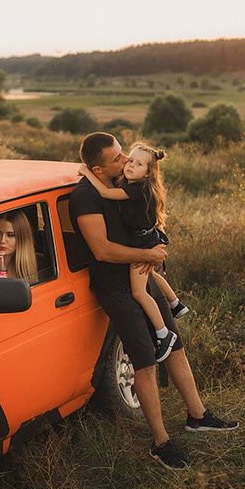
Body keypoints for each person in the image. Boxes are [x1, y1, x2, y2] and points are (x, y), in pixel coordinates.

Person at [69, 132, 238, 470]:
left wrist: (151, 250)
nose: (124, 161)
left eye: (124, 154)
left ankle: (198, 416)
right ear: (97, 169)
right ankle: (161, 443)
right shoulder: (85, 197)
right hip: (117, 288)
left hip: (142, 275)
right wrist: (148, 254)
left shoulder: (124, 182)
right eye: (117, 158)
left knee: (174, 345)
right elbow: (102, 250)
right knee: (145, 362)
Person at [78, 142, 189, 363]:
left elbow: (105, 192)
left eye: (138, 164)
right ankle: (176, 304)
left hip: (142, 243)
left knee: (139, 292)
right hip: (147, 238)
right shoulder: (139, 185)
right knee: (152, 275)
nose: (129, 165)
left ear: (147, 173)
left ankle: (163, 334)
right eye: (130, 159)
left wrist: (87, 173)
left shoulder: (137, 189)